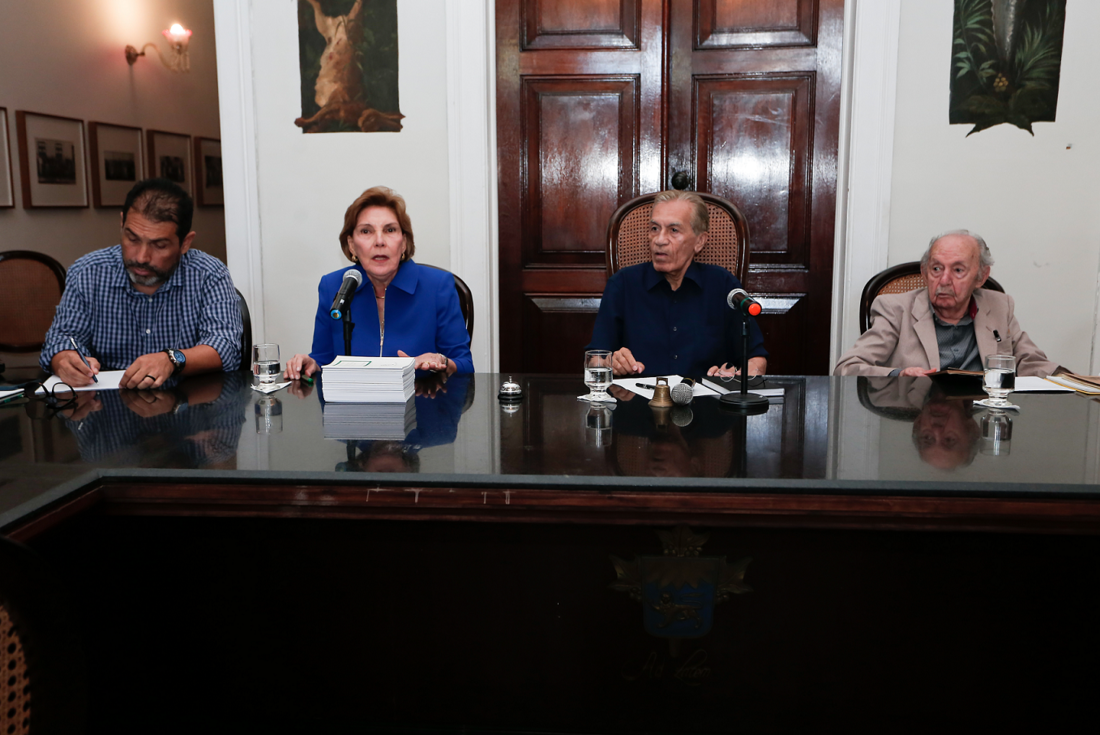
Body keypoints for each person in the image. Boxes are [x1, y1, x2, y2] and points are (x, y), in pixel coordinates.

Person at [40, 178, 242, 389]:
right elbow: (60, 340)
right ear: (122, 224)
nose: (142, 257)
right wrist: (64, 360)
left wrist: (171, 359)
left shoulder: (208, 273)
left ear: (185, 243)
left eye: (159, 245)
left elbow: (225, 345)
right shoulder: (88, 272)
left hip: (186, 405)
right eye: (132, 239)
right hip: (108, 409)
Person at [284, 186, 473, 379]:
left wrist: (440, 361)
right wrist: (311, 363)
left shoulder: (438, 286)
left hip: (421, 403)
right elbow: (323, 358)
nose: (379, 241)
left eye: (390, 230)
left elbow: (465, 364)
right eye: (366, 231)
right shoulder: (333, 286)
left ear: (404, 242)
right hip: (353, 406)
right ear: (351, 245)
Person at [587, 190, 768, 378]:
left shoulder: (723, 286)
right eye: (654, 229)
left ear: (699, 241)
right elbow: (594, 359)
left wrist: (736, 376)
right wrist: (611, 362)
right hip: (637, 404)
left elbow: (757, 360)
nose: (659, 240)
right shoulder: (622, 285)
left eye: (673, 230)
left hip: (705, 405)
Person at [835, 230, 1063, 377]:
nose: (944, 280)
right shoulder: (895, 309)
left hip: (979, 421)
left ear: (981, 277)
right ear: (924, 273)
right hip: (916, 415)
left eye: (958, 270)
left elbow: (1030, 362)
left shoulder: (999, 306)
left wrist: (1074, 381)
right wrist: (898, 376)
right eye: (936, 269)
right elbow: (847, 369)